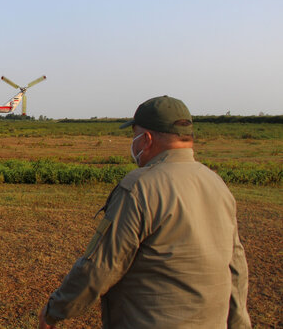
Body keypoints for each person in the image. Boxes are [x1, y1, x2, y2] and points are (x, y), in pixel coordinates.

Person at [38, 95, 251, 328]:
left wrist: (54, 311)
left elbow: (101, 267)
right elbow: (236, 266)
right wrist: (240, 323)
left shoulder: (139, 187)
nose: (134, 143)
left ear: (146, 139)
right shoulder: (217, 183)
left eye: (134, 135)